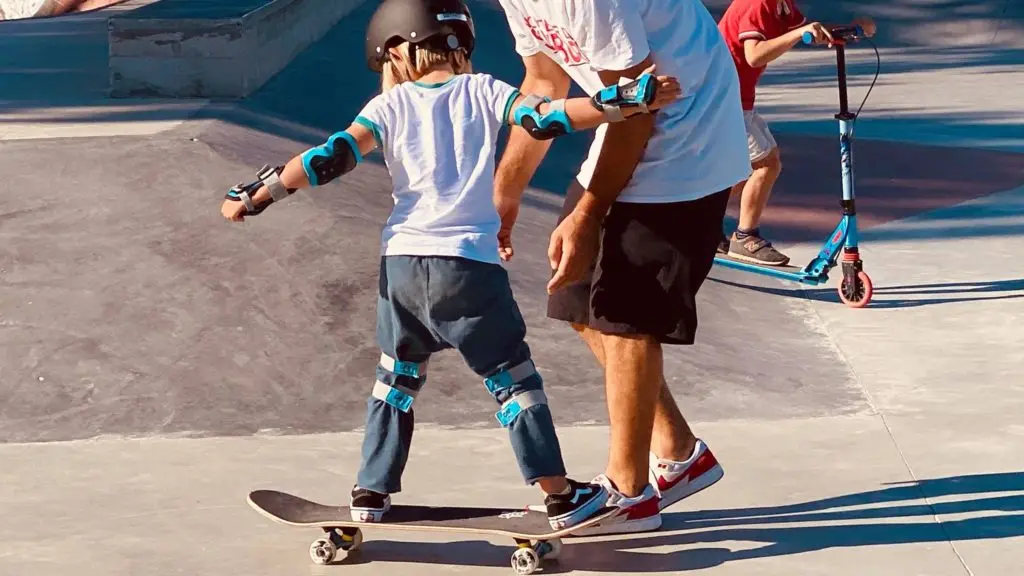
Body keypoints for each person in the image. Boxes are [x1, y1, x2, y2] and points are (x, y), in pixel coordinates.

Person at [218, 0, 682, 531]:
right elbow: (545, 117)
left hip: (402, 269)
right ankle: (558, 495)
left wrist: (260, 193)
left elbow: (331, 157)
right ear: (457, 45)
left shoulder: (386, 109)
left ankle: (370, 490)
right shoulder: (482, 89)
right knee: (513, 381)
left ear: (397, 51)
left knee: (396, 378)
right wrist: (618, 102)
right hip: (467, 268)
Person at [492, 0, 752, 534]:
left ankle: (629, 495)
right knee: (579, 298)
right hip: (628, 125)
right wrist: (504, 194)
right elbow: (543, 81)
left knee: (627, 313)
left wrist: (589, 215)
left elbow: (640, 104)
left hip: (689, 139)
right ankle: (681, 454)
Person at [716, 0, 877, 265]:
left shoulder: (782, 4)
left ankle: (701, 219)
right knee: (765, 165)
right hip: (722, 99)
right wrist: (795, 35)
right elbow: (754, 54)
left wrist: (850, 28)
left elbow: (809, 31)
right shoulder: (755, 3)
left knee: (749, 168)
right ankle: (745, 237)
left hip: (738, 98)